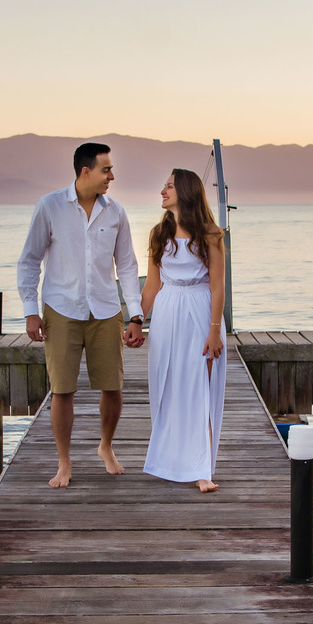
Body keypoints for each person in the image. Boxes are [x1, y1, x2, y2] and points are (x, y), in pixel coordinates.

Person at [17, 142, 146, 488]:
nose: (112, 176)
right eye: (106, 170)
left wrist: (136, 315)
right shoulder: (50, 207)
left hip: (105, 310)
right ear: (85, 171)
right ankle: (64, 461)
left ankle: (106, 446)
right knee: (62, 390)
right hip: (61, 309)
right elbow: (29, 261)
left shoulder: (116, 212)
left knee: (113, 387)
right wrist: (31, 312)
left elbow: (129, 266)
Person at [141, 168, 227, 493]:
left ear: (186, 192)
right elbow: (152, 284)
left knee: (199, 389)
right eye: (163, 185)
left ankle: (202, 468)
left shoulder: (211, 235)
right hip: (166, 312)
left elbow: (218, 288)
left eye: (169, 186)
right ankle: (173, 461)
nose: (163, 191)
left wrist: (215, 331)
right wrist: (136, 320)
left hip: (200, 310)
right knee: (168, 385)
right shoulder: (158, 234)